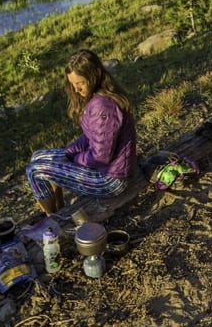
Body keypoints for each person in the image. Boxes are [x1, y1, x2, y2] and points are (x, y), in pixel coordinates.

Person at [26, 49, 137, 216]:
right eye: (72, 84)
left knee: (35, 170)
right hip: (105, 168)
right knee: (38, 157)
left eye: (80, 83)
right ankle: (59, 210)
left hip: (110, 180)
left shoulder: (103, 106)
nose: (76, 89)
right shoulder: (97, 98)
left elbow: (101, 157)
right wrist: (69, 152)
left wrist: (75, 159)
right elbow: (91, 136)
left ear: (93, 76)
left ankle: (52, 220)